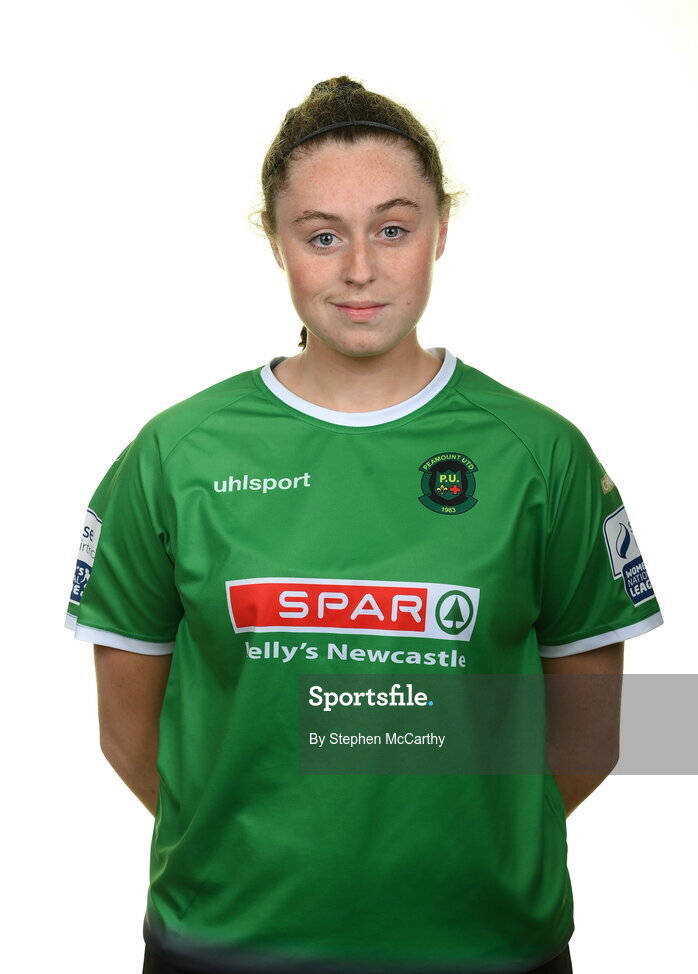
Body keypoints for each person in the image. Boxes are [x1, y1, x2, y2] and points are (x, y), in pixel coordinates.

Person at [65, 76, 663, 974]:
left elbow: (589, 741)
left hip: (486, 950)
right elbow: (127, 735)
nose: (359, 269)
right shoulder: (174, 454)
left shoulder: (541, 454)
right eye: (321, 235)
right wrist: (260, 853)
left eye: (393, 228)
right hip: (225, 947)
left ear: (440, 234)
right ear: (278, 244)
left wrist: (459, 851)